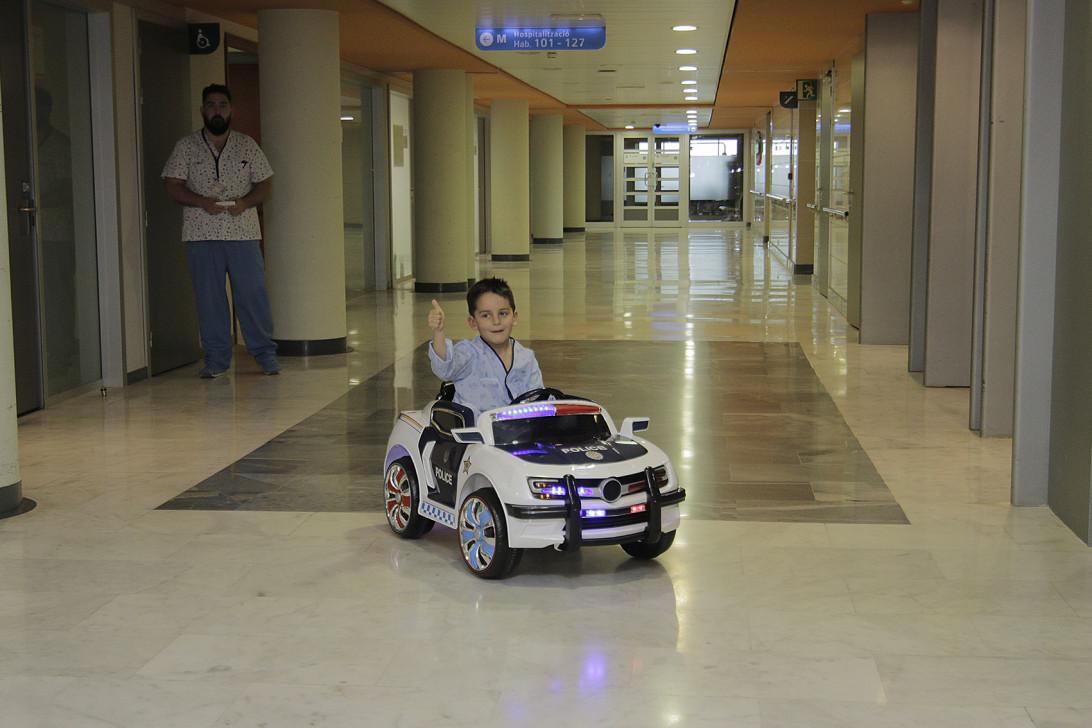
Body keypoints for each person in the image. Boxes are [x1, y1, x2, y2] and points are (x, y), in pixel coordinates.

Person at [162, 83, 280, 378]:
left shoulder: (247, 145)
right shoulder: (186, 146)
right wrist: (201, 202)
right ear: (203, 110)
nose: (217, 111)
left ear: (231, 110)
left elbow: (266, 185)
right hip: (201, 235)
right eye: (212, 105)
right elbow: (172, 185)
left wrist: (246, 202)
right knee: (209, 298)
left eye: (223, 105)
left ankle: (265, 354)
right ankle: (216, 360)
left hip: (243, 233)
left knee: (252, 293)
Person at [428, 277, 542, 415]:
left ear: (514, 317)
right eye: (486, 315)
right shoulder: (468, 353)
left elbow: (539, 398)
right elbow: (445, 367)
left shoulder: (527, 358)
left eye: (503, 313)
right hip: (475, 427)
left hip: (519, 426)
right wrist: (438, 331)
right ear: (473, 323)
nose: (496, 321)